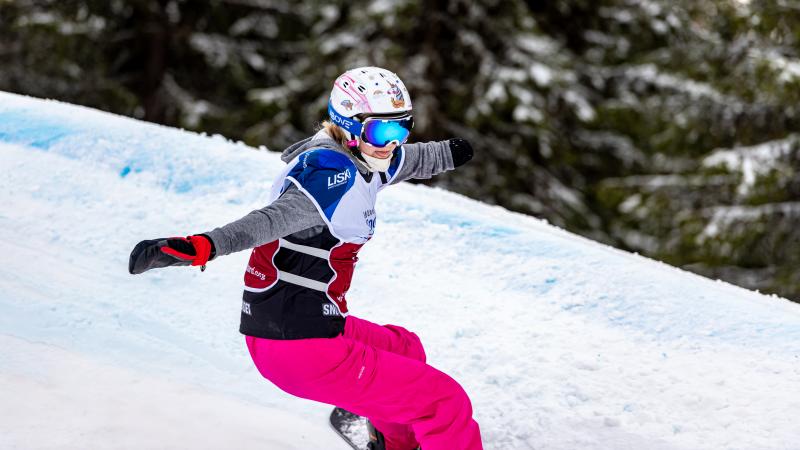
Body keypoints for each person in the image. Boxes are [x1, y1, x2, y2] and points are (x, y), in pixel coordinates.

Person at [129, 66, 483, 450]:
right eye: (383, 131)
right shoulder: (330, 177)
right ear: (348, 124)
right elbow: (269, 221)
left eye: (402, 128)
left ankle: (393, 442)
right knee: (445, 402)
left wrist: (447, 153)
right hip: (302, 349)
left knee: (404, 348)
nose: (392, 142)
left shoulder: (363, 156)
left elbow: (406, 162)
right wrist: (204, 245)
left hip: (296, 330)